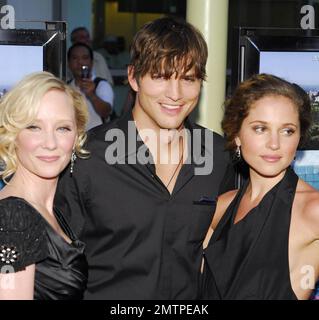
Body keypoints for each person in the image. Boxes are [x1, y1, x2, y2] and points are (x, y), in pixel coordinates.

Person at [55, 17, 235, 300]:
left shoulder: (217, 155)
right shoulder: (88, 155)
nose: (175, 95)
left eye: (188, 79)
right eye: (161, 76)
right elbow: (58, 265)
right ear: (133, 77)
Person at [202, 73, 319, 300]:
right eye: (260, 128)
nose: (274, 144)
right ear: (237, 134)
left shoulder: (312, 209)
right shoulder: (221, 207)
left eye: (287, 131)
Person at [0, 72, 89, 299]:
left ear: (76, 136)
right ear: (12, 134)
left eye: (63, 128)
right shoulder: (13, 218)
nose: (50, 143)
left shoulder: (52, 212)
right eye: (34, 127)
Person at [68, 42, 114, 130]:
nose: (80, 62)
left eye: (84, 58)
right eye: (75, 58)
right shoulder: (66, 87)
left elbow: (106, 112)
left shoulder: (101, 85)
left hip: (97, 140)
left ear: (91, 63)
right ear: (69, 63)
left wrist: (91, 95)